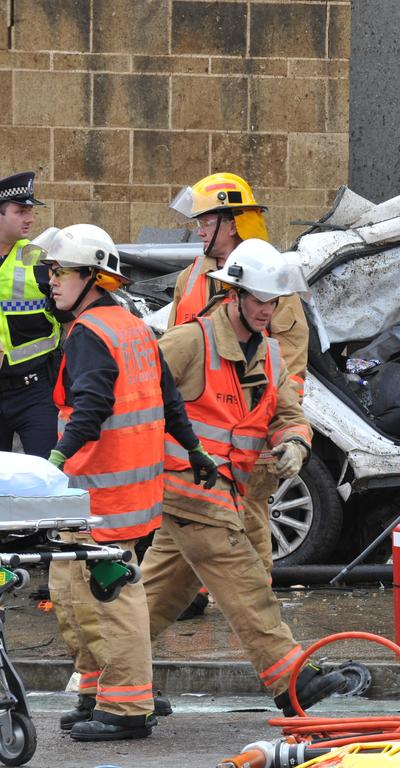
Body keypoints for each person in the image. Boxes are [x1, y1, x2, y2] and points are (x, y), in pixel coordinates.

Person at [142, 238, 347, 714]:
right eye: (260, 299)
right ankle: (290, 679)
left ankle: (98, 680)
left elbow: (289, 414)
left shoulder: (270, 353)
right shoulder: (190, 341)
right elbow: (133, 391)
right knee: (246, 581)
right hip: (189, 488)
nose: (268, 309)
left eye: (274, 301)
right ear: (232, 294)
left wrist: (296, 442)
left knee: (155, 598)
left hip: (229, 490)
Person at [32, 223, 216, 740]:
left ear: (93, 276)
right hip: (122, 495)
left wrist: (52, 462)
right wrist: (195, 448)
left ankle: (129, 709)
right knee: (72, 596)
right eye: (51, 271)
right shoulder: (131, 325)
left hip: (100, 496)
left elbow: (91, 407)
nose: (52, 281)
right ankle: (97, 692)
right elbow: (168, 397)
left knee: (109, 601)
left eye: (61, 271)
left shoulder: (91, 335)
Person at [168, 172, 309, 604]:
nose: (199, 230)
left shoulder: (270, 279)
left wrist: (284, 433)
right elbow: (173, 357)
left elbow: (288, 362)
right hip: (195, 442)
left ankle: (254, 607)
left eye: (207, 221)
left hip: (252, 439)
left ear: (231, 222)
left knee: (248, 528)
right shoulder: (192, 276)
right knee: (181, 530)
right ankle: (187, 599)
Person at [0, 171, 59, 458]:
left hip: (34, 391)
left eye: (30, 211)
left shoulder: (39, 259)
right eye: (20, 211)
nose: (30, 219)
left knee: (46, 479)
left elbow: (73, 313)